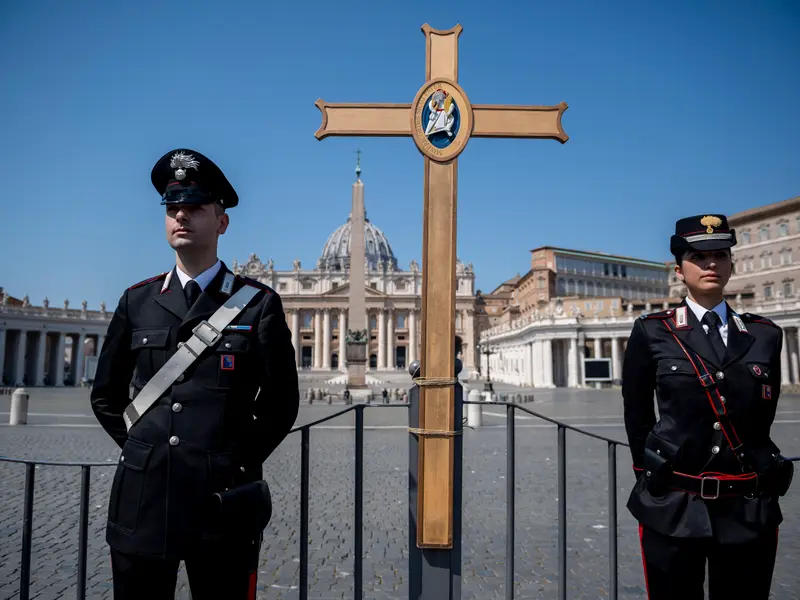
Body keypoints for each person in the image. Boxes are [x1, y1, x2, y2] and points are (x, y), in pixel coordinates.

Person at [90, 148, 300, 600]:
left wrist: (231, 460)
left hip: (223, 503)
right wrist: (144, 452)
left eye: (195, 207)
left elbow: (282, 404)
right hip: (143, 503)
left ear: (222, 222)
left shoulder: (257, 304)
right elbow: (105, 395)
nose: (181, 216)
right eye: (172, 208)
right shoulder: (136, 301)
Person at [622, 214, 793, 599]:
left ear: (732, 264)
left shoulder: (765, 335)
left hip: (747, 507)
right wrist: (649, 477)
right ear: (679, 269)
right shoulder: (652, 331)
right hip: (676, 504)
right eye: (699, 257)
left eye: (720, 255)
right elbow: (637, 416)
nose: (711, 264)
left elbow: (764, 415)